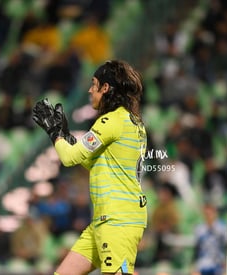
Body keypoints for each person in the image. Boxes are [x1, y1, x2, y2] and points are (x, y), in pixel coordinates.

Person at [32, 59, 147, 275]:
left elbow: (69, 159)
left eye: (94, 84)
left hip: (117, 220)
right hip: (106, 220)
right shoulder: (132, 122)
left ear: (106, 88)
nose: (90, 90)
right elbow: (91, 161)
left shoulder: (111, 121)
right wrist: (65, 136)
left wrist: (54, 133)